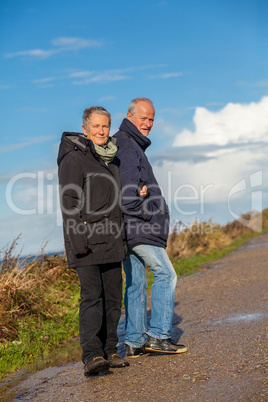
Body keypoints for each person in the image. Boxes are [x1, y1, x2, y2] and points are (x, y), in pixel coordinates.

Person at [57, 106, 129, 376]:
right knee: (92, 299)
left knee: (112, 300)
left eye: (105, 127)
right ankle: (92, 355)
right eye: (96, 127)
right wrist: (79, 243)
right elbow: (69, 203)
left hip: (111, 240)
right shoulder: (73, 159)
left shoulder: (110, 159)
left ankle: (111, 350)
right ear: (85, 129)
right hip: (85, 244)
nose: (101, 131)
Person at [113, 98, 187, 357]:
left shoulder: (125, 143)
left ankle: (133, 341)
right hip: (139, 227)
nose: (147, 124)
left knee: (136, 283)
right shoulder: (127, 145)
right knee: (166, 275)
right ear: (129, 116)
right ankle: (158, 336)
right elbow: (127, 195)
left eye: (151, 119)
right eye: (143, 118)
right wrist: (147, 210)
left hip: (127, 228)